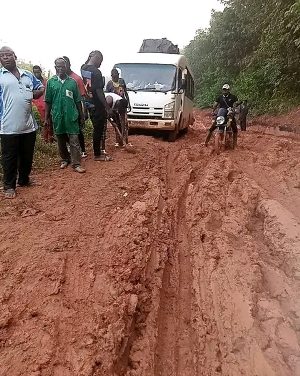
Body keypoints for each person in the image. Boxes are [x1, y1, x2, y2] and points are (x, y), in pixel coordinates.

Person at [0, 46, 44, 199]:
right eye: (2, 55)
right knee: (9, 157)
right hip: (7, 126)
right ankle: (9, 186)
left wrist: (33, 94)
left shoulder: (27, 75)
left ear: (15, 56)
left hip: (28, 125)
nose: (5, 57)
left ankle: (24, 180)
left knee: (27, 156)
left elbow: (40, 87)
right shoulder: (0, 76)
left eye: (8, 54)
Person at [45, 57, 85, 173]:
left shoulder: (72, 82)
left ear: (67, 67)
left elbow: (78, 100)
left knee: (74, 140)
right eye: (58, 66)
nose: (61, 68)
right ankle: (64, 159)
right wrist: (47, 118)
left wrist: (81, 116)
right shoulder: (51, 82)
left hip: (71, 115)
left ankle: (76, 163)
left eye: (63, 66)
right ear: (55, 67)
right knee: (60, 139)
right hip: (57, 116)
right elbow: (48, 101)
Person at [81, 50, 113, 161]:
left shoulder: (83, 68)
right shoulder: (97, 72)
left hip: (88, 102)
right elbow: (99, 91)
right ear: (97, 58)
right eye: (101, 60)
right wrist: (107, 107)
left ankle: (97, 152)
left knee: (96, 128)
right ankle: (97, 154)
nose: (101, 63)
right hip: (96, 104)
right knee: (98, 129)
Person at [63, 56, 87, 157]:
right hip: (63, 110)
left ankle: (82, 150)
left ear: (69, 65)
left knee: (77, 131)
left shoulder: (76, 78)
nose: (62, 67)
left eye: (64, 65)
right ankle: (70, 149)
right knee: (64, 131)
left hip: (75, 110)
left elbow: (82, 97)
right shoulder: (57, 79)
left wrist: (83, 113)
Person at [32, 65, 54, 143]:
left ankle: (50, 138)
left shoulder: (46, 82)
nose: (36, 74)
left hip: (46, 104)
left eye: (38, 72)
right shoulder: (32, 82)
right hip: (37, 105)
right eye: (35, 72)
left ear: (41, 72)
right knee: (44, 123)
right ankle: (44, 139)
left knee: (49, 121)